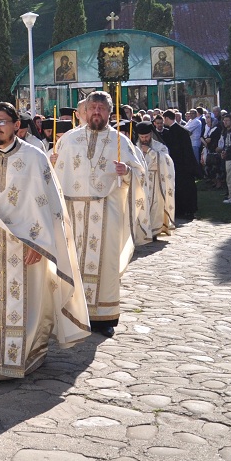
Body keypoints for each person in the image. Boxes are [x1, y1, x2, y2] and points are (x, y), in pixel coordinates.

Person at [0, 102, 90, 383]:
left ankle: (25, 357)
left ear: (17, 125)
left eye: (2, 121)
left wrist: (40, 244)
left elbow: (49, 204)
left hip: (27, 244)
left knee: (25, 303)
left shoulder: (34, 157)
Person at [51, 91, 148, 337]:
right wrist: (51, 163)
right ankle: (72, 313)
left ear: (109, 112)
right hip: (73, 211)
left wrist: (126, 170)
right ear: (84, 111)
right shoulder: (70, 139)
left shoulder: (120, 141)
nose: (96, 112)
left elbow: (141, 173)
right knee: (73, 262)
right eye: (92, 108)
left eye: (101, 109)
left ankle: (104, 316)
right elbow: (53, 175)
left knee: (105, 264)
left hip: (107, 210)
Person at [135, 121, 176, 241]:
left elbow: (167, 161)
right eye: (142, 137)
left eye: (146, 136)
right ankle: (142, 231)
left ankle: (154, 231)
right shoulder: (134, 147)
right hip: (140, 181)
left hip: (156, 181)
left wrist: (150, 151)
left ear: (151, 134)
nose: (144, 139)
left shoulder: (159, 147)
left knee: (156, 206)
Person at [161, 109, 198, 219]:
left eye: (164, 119)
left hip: (181, 164)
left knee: (184, 188)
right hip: (182, 164)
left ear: (167, 118)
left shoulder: (176, 131)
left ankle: (186, 209)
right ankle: (183, 209)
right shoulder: (179, 130)